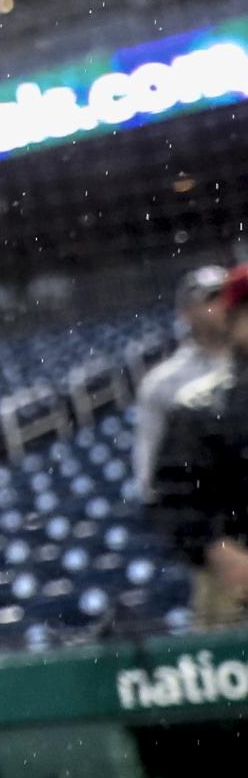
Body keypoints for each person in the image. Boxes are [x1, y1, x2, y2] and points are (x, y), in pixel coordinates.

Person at [148, 265, 248, 629]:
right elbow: (171, 495)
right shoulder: (200, 406)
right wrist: (217, 549)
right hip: (235, 576)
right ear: (233, 319)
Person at [137, 264, 236, 498]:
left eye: (228, 296)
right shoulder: (162, 383)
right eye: (211, 298)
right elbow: (148, 470)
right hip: (212, 513)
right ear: (186, 311)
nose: (223, 305)